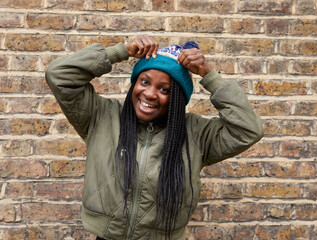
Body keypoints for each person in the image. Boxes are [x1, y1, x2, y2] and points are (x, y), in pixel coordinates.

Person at [45, 35, 263, 240]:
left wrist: (209, 76)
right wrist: (122, 50)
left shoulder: (197, 132)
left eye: (164, 89)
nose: (149, 93)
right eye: (145, 82)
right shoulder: (101, 115)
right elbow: (59, 75)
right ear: (134, 84)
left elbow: (248, 130)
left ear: (177, 99)